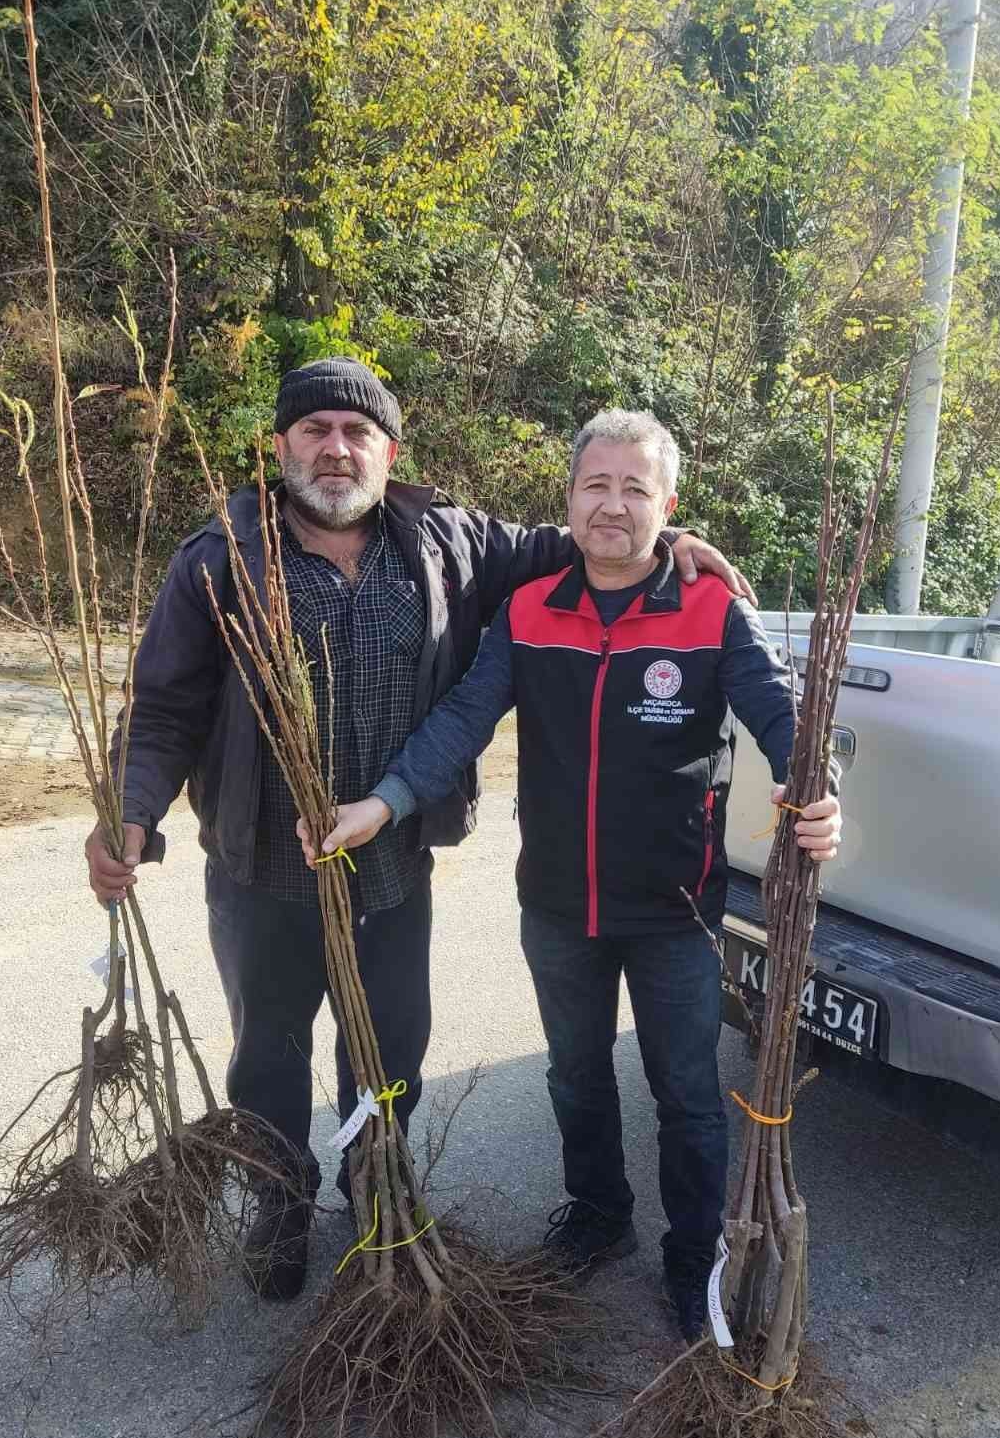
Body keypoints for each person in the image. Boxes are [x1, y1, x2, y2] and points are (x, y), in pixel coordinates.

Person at [85, 362, 754, 1301]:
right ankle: (280, 1209)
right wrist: (133, 812)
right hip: (263, 867)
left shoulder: (450, 542)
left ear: (389, 454)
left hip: (392, 866)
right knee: (267, 1058)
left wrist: (668, 538)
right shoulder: (220, 557)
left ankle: (379, 1197)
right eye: (315, 429)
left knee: (391, 1052)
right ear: (280, 447)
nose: (336, 448)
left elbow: (589, 541)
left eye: (357, 433)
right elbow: (160, 709)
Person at [301, 407, 841, 1341]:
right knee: (576, 1075)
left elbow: (782, 715)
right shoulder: (531, 608)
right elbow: (464, 718)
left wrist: (819, 789)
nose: (613, 505)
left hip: (677, 908)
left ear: (667, 507)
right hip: (556, 903)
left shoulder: (712, 611)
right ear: (570, 499)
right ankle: (598, 1215)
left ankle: (694, 1253)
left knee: (686, 1092)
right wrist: (383, 801)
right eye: (597, 485)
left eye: (636, 489)